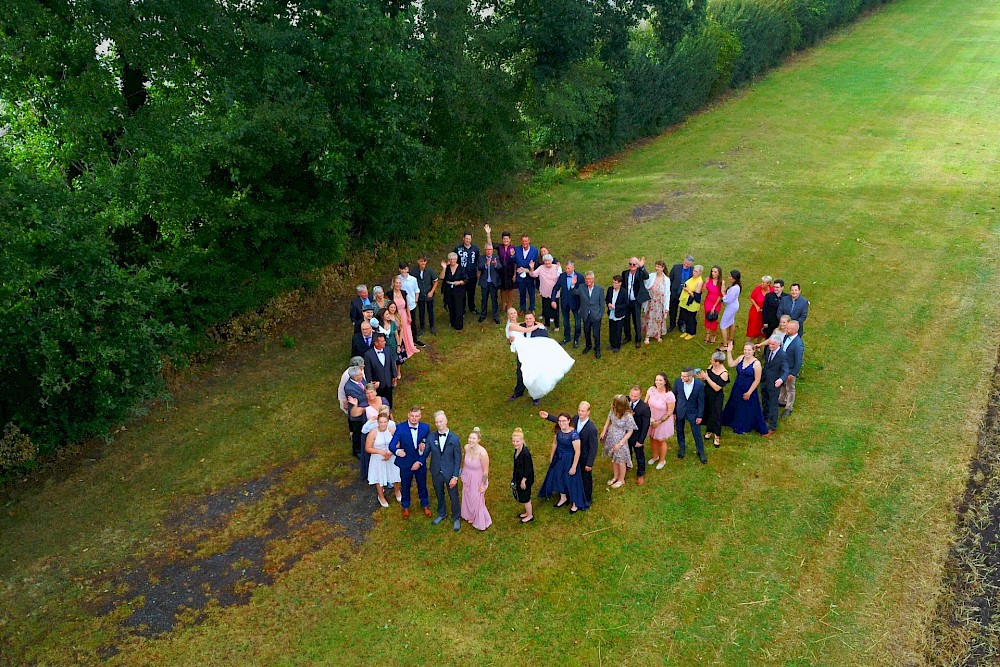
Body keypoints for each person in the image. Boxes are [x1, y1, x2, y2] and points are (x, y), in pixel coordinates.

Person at [507, 312, 574, 405]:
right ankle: (518, 392)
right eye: (526, 319)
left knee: (535, 377)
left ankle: (536, 396)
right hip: (523, 356)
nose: (528, 320)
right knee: (520, 373)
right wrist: (511, 341)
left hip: (535, 357)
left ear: (534, 319)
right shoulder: (520, 327)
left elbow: (544, 344)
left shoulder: (541, 330)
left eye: (530, 318)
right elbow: (514, 338)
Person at [539, 401, 598, 505]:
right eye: (579, 410)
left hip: (583, 456)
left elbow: (594, 447)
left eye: (583, 411)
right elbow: (563, 422)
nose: (580, 412)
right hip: (571, 453)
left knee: (585, 478)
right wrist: (548, 416)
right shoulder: (575, 419)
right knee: (571, 476)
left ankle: (587, 498)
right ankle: (568, 494)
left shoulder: (591, 428)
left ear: (588, 412)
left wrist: (589, 463)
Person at [538, 412, 589, 512]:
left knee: (571, 481)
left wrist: (574, 466)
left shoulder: (574, 435)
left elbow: (577, 452)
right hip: (559, 458)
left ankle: (575, 503)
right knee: (558, 477)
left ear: (569, 421)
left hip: (569, 459)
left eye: (564, 421)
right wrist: (552, 457)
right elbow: (555, 444)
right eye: (560, 421)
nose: (561, 423)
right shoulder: (558, 431)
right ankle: (563, 497)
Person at [390, 406, 432, 518]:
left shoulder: (425, 428)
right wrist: (398, 451)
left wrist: (420, 461)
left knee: (422, 484)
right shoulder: (400, 428)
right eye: (412, 416)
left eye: (416, 416)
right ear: (408, 415)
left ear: (420, 416)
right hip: (405, 463)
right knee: (405, 485)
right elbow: (391, 445)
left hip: (420, 462)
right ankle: (405, 506)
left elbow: (428, 447)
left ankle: (425, 504)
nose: (414, 418)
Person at [721, 342, 769, 435]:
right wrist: (729, 352)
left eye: (749, 350)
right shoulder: (740, 358)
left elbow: (757, 380)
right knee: (736, 404)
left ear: (753, 351)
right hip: (738, 386)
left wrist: (749, 392)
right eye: (745, 350)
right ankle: (731, 421)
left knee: (746, 408)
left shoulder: (756, 364)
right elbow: (730, 364)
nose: (747, 352)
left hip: (749, 388)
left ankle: (744, 425)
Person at [429, 411, 463, 532]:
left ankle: (456, 517)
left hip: (450, 473)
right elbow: (426, 452)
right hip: (436, 471)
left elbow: (458, 458)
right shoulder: (431, 437)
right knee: (439, 494)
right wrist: (421, 450)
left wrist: (455, 476)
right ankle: (442, 513)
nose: (439, 424)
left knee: (453, 496)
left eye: (441, 421)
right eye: (436, 422)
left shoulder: (454, 438)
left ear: (446, 421)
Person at [365, 411, 401, 508]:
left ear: (388, 422)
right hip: (378, 458)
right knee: (379, 477)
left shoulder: (392, 430)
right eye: (381, 422)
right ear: (377, 422)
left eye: (385, 422)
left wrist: (391, 452)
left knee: (395, 474)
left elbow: (398, 443)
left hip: (391, 456)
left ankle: (397, 491)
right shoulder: (373, 433)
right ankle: (381, 496)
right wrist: (380, 452)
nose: (383, 424)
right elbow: (368, 448)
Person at [600, 395, 637, 487]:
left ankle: (621, 479)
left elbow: (630, 431)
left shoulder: (628, 416)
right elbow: (608, 420)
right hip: (611, 437)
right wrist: (604, 430)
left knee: (621, 460)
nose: (613, 405)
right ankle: (615, 477)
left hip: (620, 439)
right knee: (614, 459)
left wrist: (620, 444)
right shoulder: (613, 410)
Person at [460, 428, 492, 530]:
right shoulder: (466, 447)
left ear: (478, 440)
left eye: (473, 438)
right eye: (469, 438)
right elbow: (464, 462)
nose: (471, 440)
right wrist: (463, 473)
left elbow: (486, 471)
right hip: (467, 475)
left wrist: (483, 485)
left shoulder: (483, 453)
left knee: (476, 499)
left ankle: (480, 521)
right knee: (467, 496)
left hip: (477, 478)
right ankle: (470, 515)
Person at [673, 368, 708, 463]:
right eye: (681, 375)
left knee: (697, 433)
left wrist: (700, 416)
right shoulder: (678, 382)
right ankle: (682, 449)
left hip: (693, 412)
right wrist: (674, 413)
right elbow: (674, 397)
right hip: (680, 411)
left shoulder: (699, 385)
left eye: (684, 376)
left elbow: (701, 401)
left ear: (691, 376)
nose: (681, 378)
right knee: (680, 431)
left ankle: (701, 452)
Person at [698, 351, 729, 448]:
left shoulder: (724, 373)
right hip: (707, 392)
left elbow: (716, 388)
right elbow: (707, 378)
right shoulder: (711, 366)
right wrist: (703, 378)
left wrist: (707, 378)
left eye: (712, 360)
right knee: (708, 411)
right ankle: (709, 429)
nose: (710, 361)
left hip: (716, 396)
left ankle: (717, 435)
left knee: (716, 413)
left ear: (718, 362)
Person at [644, 373, 676, 470]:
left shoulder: (669, 395)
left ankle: (662, 460)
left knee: (660, 440)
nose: (658, 382)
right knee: (652, 437)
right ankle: (655, 456)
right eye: (656, 380)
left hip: (663, 420)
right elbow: (645, 403)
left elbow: (670, 411)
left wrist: (658, 422)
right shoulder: (651, 390)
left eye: (660, 380)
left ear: (665, 382)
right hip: (651, 417)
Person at [485, 224, 517, 314]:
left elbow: (515, 262)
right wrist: (488, 234)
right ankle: (503, 303)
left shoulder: (513, 248)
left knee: (510, 288)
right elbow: (490, 244)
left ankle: (510, 304)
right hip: (501, 270)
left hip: (510, 271)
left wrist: (515, 274)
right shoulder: (500, 247)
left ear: (510, 239)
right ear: (502, 239)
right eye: (504, 239)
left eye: (507, 239)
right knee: (502, 288)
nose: (505, 240)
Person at [551, 261, 583, 347]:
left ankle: (576, 339)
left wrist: (573, 285)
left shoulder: (579, 277)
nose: (567, 270)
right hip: (565, 302)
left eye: (569, 268)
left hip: (576, 303)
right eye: (566, 268)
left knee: (577, 322)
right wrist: (553, 300)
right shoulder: (562, 276)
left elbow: (582, 291)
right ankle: (567, 337)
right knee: (565, 322)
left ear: (573, 268)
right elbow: (556, 288)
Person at [760, 337, 788, 433]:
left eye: (773, 344)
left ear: (779, 344)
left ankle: (772, 426)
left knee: (773, 404)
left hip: (774, 383)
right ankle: (765, 417)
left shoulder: (782, 355)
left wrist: (781, 379)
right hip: (765, 380)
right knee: (764, 399)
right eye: (770, 344)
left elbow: (786, 370)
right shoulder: (768, 350)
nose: (770, 346)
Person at [621, 256, 650, 349]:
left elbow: (647, 276)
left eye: (634, 264)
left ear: (637, 265)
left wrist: (641, 267)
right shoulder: (625, 273)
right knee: (626, 320)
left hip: (636, 301)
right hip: (627, 301)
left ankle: (638, 339)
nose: (632, 266)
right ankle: (627, 336)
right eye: (630, 264)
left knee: (636, 320)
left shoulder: (640, 273)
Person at [388, 276, 419, 361]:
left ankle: (409, 347)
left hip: (404, 314)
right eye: (396, 283)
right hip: (395, 315)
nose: (398, 284)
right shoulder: (389, 294)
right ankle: (400, 348)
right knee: (398, 331)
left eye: (399, 283)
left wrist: (409, 316)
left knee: (407, 331)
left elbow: (407, 306)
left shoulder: (404, 293)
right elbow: (389, 306)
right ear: (393, 284)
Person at [529, 254, 562, 330]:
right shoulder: (541, 268)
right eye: (545, 261)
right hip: (545, 293)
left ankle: (557, 325)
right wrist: (531, 268)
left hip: (555, 293)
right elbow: (533, 275)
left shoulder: (556, 267)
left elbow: (560, 277)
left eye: (548, 261)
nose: (547, 262)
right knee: (546, 309)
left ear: (551, 261)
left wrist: (559, 267)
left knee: (555, 309)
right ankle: (547, 324)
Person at [363, 333, 398, 408]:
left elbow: (392, 363)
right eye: (382, 341)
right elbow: (368, 371)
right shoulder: (368, 355)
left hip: (388, 381)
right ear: (376, 343)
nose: (384, 342)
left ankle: (389, 412)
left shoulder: (388, 350)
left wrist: (394, 375)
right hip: (378, 385)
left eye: (384, 341)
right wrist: (371, 383)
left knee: (389, 400)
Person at [575, 271, 605, 358]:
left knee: (596, 334)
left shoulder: (599, 289)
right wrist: (573, 285)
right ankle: (588, 346)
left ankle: (597, 349)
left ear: (593, 279)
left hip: (595, 315)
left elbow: (602, 304)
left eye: (589, 279)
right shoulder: (581, 287)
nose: (587, 281)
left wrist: (599, 315)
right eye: (586, 279)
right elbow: (573, 292)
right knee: (586, 332)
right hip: (586, 315)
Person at [626, 386, 651, 485]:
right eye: (631, 395)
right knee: (627, 451)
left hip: (637, 435)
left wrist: (641, 440)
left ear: (640, 395)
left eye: (635, 396)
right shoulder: (625, 401)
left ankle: (640, 474)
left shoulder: (644, 408)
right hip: (625, 433)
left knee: (639, 455)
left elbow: (645, 426)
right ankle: (628, 464)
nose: (632, 397)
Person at [641, 260, 670, 344]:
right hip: (651, 302)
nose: (656, 268)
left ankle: (658, 335)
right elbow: (646, 285)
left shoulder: (666, 280)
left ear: (663, 268)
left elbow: (667, 294)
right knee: (649, 319)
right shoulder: (651, 276)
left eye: (658, 267)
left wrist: (666, 307)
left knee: (658, 319)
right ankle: (647, 336)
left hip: (660, 303)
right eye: (656, 266)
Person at [780, 320, 804, 418]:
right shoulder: (786, 337)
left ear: (794, 330)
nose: (786, 329)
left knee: (790, 388)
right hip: (783, 368)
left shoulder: (798, 344)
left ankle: (788, 407)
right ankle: (781, 400)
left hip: (790, 370)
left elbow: (798, 361)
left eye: (788, 328)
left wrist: (793, 373)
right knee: (782, 385)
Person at [344, 366, 369, 460]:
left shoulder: (361, 381)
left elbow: (365, 388)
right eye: (360, 374)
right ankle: (357, 451)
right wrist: (370, 392)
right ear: (354, 377)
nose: (362, 375)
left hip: (363, 410)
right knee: (357, 433)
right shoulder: (349, 388)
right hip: (356, 414)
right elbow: (359, 399)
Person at [397, 262, 425, 347]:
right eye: (401, 269)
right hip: (401, 306)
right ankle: (403, 341)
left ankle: (414, 339)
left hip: (411, 304)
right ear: (399, 269)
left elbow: (417, 290)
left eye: (405, 269)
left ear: (408, 269)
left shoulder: (413, 279)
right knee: (401, 323)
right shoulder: (397, 279)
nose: (403, 271)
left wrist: (415, 300)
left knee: (412, 322)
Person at [511, 427, 535, 523]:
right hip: (519, 476)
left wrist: (523, 480)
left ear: (522, 441)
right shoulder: (517, 450)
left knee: (526, 498)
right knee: (523, 495)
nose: (515, 443)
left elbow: (528, 469)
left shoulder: (525, 454)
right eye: (513, 441)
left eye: (517, 441)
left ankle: (530, 515)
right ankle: (527, 512)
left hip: (525, 479)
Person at [337, 356, 365, 441]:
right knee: (352, 415)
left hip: (358, 395)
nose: (363, 366)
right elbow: (342, 389)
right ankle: (352, 431)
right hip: (349, 399)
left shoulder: (358, 372)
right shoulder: (347, 375)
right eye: (362, 365)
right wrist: (344, 401)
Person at [441, 253, 470, 330]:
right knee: (451, 305)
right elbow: (441, 277)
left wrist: (459, 282)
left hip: (459, 290)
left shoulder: (461, 268)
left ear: (456, 259)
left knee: (459, 306)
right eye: (450, 259)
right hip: (449, 290)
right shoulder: (447, 268)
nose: (452, 261)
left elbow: (466, 279)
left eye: (453, 259)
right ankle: (452, 321)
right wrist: (444, 268)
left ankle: (459, 324)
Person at [454, 231, 480, 314]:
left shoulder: (475, 249)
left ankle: (472, 307)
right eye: (466, 238)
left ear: (471, 239)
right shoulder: (458, 249)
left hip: (472, 275)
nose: (468, 240)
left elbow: (477, 261)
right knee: (462, 293)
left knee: (471, 292)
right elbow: (454, 260)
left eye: (469, 239)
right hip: (461, 275)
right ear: (463, 238)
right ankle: (462, 309)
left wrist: (478, 271)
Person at [667, 255, 694, 333]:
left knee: (683, 310)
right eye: (685, 263)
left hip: (685, 294)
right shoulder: (676, 267)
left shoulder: (693, 271)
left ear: (691, 265)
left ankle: (681, 324)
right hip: (675, 292)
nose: (686, 265)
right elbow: (670, 279)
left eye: (688, 264)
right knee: (672, 309)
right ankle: (672, 324)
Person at [477, 243, 502, 323]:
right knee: (484, 299)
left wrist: (495, 265)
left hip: (493, 283)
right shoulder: (481, 258)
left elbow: (500, 267)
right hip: (484, 282)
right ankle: (483, 315)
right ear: (485, 250)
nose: (489, 251)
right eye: (487, 250)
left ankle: (495, 316)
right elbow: (479, 267)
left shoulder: (496, 257)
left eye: (490, 250)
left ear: (492, 250)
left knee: (494, 299)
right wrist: (485, 265)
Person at [678, 265, 705, 340]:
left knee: (691, 318)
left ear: (700, 273)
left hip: (692, 303)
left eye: (696, 271)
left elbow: (696, 296)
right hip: (686, 301)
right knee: (686, 316)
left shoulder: (699, 282)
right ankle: (687, 331)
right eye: (694, 271)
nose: (694, 272)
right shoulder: (693, 278)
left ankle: (692, 332)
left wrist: (688, 290)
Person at [514, 235, 539, 313]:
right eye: (523, 241)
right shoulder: (516, 249)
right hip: (520, 275)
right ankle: (522, 308)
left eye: (526, 241)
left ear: (529, 241)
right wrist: (512, 256)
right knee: (522, 292)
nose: (525, 243)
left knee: (531, 292)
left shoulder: (534, 250)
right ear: (521, 241)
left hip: (529, 275)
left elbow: (536, 263)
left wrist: (528, 270)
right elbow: (513, 261)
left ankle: (532, 308)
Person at [415, 256, 438, 335]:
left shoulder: (430, 271)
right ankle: (422, 327)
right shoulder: (414, 272)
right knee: (421, 311)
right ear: (418, 261)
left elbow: (435, 281)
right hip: (420, 295)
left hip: (429, 294)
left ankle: (432, 326)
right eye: (421, 261)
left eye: (424, 261)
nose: (423, 263)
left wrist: (431, 291)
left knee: (430, 311)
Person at [605, 275, 628, 353]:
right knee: (612, 329)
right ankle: (612, 344)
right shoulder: (610, 290)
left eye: (616, 283)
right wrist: (608, 304)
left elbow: (625, 304)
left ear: (620, 283)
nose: (614, 284)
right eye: (613, 282)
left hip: (619, 314)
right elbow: (607, 299)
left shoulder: (623, 292)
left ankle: (617, 345)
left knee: (618, 331)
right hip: (611, 313)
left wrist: (616, 307)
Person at [747, 276, 773, 343]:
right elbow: (752, 297)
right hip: (756, 312)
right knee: (753, 328)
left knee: (762, 329)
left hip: (765, 313)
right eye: (761, 281)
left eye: (763, 282)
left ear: (768, 283)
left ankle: (758, 344)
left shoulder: (772, 290)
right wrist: (756, 306)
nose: (761, 283)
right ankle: (749, 344)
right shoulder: (758, 288)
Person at [720, 269, 742, 348]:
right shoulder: (736, 286)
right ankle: (731, 339)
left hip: (731, 307)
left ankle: (725, 345)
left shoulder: (734, 288)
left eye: (730, 276)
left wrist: (722, 299)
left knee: (723, 325)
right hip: (734, 305)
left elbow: (728, 299)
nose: (728, 277)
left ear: (734, 278)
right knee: (731, 321)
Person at [702, 265, 724, 344]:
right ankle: (707, 334)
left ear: (719, 273)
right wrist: (705, 283)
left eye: (715, 272)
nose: (713, 273)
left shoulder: (721, 282)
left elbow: (720, 295)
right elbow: (703, 290)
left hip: (716, 303)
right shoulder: (709, 279)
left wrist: (714, 306)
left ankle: (714, 335)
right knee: (707, 317)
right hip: (708, 301)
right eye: (712, 271)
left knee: (713, 319)